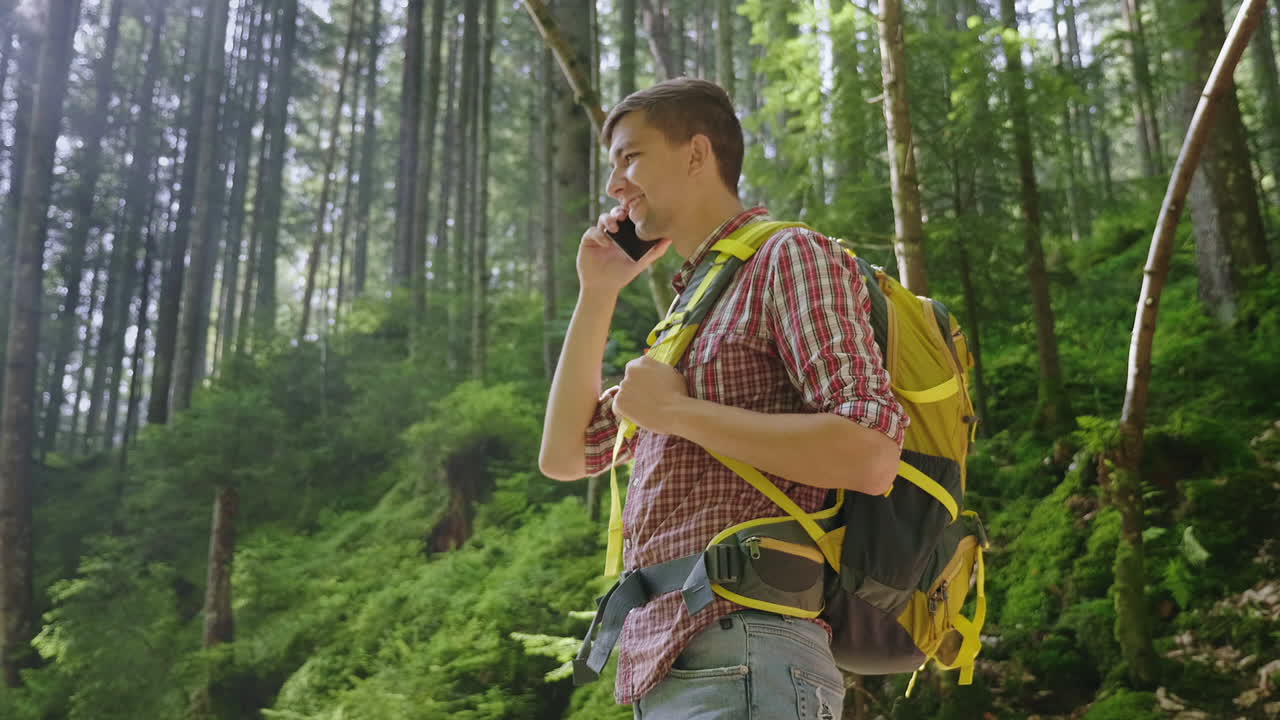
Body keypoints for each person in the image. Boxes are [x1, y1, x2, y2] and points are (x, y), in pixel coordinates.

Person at [538, 77, 908, 720]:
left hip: (748, 652)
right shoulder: (686, 318)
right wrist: (597, 291)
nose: (614, 186)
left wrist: (677, 414)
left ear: (695, 154)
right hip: (672, 666)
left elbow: (870, 452)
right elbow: (566, 455)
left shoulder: (788, 256)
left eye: (630, 157)